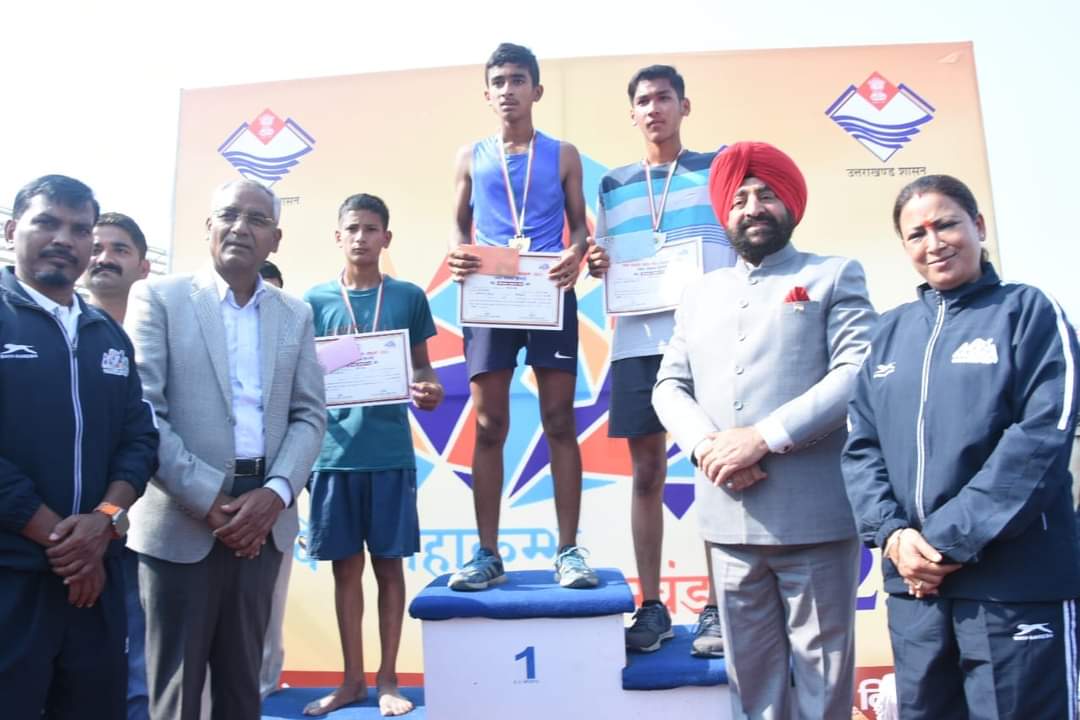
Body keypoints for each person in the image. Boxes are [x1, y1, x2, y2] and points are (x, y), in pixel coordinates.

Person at [652, 141, 876, 718]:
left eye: (766, 195)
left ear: (791, 205)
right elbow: (668, 386)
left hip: (814, 520)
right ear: (723, 213)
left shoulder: (831, 275)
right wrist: (709, 447)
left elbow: (856, 371)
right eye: (740, 198)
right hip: (728, 519)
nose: (752, 207)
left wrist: (763, 437)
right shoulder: (699, 294)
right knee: (751, 690)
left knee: (823, 690)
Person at [843, 174, 1080, 719]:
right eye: (916, 234)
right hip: (917, 592)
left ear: (978, 226)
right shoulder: (889, 334)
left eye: (946, 224)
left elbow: (1040, 439)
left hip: (1013, 586)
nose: (934, 243)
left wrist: (944, 542)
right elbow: (861, 447)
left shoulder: (1028, 311)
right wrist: (893, 535)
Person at [125, 179, 326, 720]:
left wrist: (275, 493)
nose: (241, 227)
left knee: (244, 687)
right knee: (177, 691)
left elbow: (309, 414)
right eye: (229, 215)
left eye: (257, 219)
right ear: (208, 226)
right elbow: (144, 412)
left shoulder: (295, 313)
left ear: (275, 239)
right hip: (181, 518)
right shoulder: (159, 299)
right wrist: (207, 498)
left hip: (263, 521)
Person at [586, 64, 734, 655]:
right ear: (632, 113)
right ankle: (652, 605)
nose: (654, 108)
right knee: (646, 473)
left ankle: (718, 607)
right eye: (644, 100)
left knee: (714, 470)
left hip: (708, 340)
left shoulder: (718, 168)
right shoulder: (613, 184)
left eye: (664, 98)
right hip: (637, 343)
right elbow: (603, 256)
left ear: (684, 106)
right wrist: (598, 262)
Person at [0, 174, 159, 720]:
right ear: (12, 230)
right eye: (47, 223)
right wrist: (65, 542)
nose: (63, 239)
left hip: (95, 582)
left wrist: (105, 520)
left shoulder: (107, 335)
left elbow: (139, 439)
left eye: (79, 229)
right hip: (14, 575)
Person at [445, 42, 596, 590]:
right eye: (499, 82)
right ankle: (487, 552)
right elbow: (458, 226)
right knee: (489, 424)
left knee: (559, 420)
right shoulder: (470, 156)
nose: (507, 90)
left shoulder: (563, 154)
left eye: (517, 80)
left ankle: (568, 550)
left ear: (536, 89)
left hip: (547, 290)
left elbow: (578, 228)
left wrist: (575, 253)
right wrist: (458, 253)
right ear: (487, 94)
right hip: (491, 294)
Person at [301, 193, 444, 717]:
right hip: (333, 455)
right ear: (337, 236)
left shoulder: (407, 297)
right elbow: (303, 378)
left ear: (387, 237)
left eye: (371, 229)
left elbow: (422, 368)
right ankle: (351, 681)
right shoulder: (313, 301)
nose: (361, 237)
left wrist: (429, 389)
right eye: (353, 228)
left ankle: (388, 680)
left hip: (389, 453)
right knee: (345, 573)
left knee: (389, 569)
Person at [83, 211, 154, 720]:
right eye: (97, 247)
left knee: (141, 661)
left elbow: (150, 434)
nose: (105, 258)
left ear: (143, 266)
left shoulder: (163, 334)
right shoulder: (55, 330)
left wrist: (115, 507)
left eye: (119, 249)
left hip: (144, 522)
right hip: (64, 530)